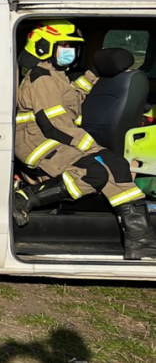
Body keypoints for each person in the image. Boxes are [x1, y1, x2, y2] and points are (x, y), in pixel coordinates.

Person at [13, 20, 156, 260]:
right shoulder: (41, 79)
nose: (70, 51)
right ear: (44, 47)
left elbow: (73, 97)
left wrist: (93, 74)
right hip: (36, 143)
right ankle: (26, 197)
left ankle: (140, 238)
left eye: (72, 46)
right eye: (65, 45)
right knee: (93, 172)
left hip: (56, 140)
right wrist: (93, 149)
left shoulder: (56, 75)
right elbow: (55, 125)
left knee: (118, 165)